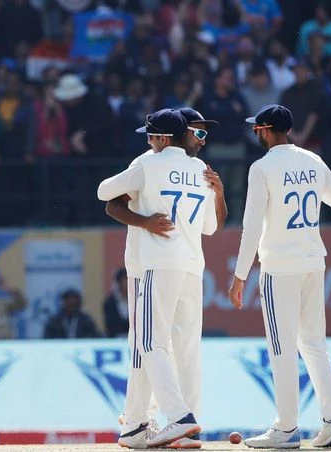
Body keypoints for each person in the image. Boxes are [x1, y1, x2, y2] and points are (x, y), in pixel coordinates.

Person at [228, 104, 331, 449]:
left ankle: (286, 428)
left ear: (265, 131)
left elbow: (252, 227)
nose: (256, 133)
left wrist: (239, 275)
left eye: (257, 129)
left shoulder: (262, 167)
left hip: (279, 266)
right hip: (313, 261)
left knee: (282, 347)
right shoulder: (312, 160)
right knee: (314, 344)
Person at [98, 108, 217, 448]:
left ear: (163, 138)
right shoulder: (201, 169)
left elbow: (104, 192)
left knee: (148, 344)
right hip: (192, 265)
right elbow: (210, 227)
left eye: (150, 137)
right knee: (185, 350)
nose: (148, 142)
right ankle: (140, 425)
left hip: (155, 263)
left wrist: (144, 219)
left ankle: (178, 418)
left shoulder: (148, 162)